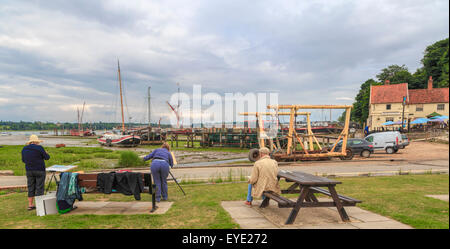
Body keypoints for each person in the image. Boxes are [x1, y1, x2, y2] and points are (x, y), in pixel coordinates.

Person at [21, 135, 50, 210]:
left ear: (30, 142)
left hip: (29, 170)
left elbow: (23, 160)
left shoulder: (24, 149)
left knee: (30, 187)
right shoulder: (39, 148)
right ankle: (39, 205)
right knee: (39, 187)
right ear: (36, 142)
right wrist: (46, 153)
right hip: (39, 170)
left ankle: (30, 205)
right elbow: (47, 158)